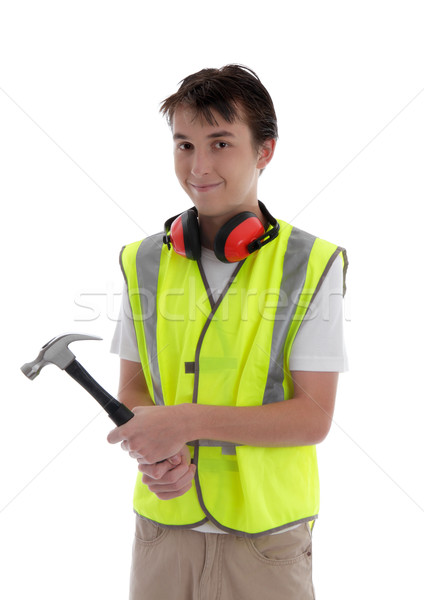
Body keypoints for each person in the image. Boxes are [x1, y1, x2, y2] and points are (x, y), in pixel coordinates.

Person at [107, 64, 348, 600]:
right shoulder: (143, 262)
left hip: (266, 540)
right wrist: (157, 454)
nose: (199, 166)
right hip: (163, 530)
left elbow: (313, 418)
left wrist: (184, 424)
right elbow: (133, 391)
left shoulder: (311, 264)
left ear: (265, 151)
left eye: (221, 143)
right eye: (184, 145)